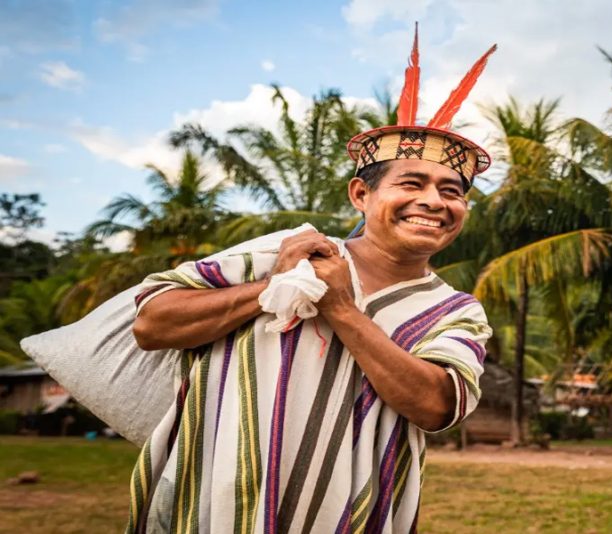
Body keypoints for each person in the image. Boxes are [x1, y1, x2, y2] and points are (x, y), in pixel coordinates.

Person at [124, 27, 496, 534]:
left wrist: (342, 309)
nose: (434, 201)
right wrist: (271, 287)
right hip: (212, 509)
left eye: (452, 191)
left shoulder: (455, 311)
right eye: (411, 182)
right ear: (361, 194)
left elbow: (436, 406)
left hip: (353, 520)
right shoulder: (286, 250)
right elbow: (151, 325)